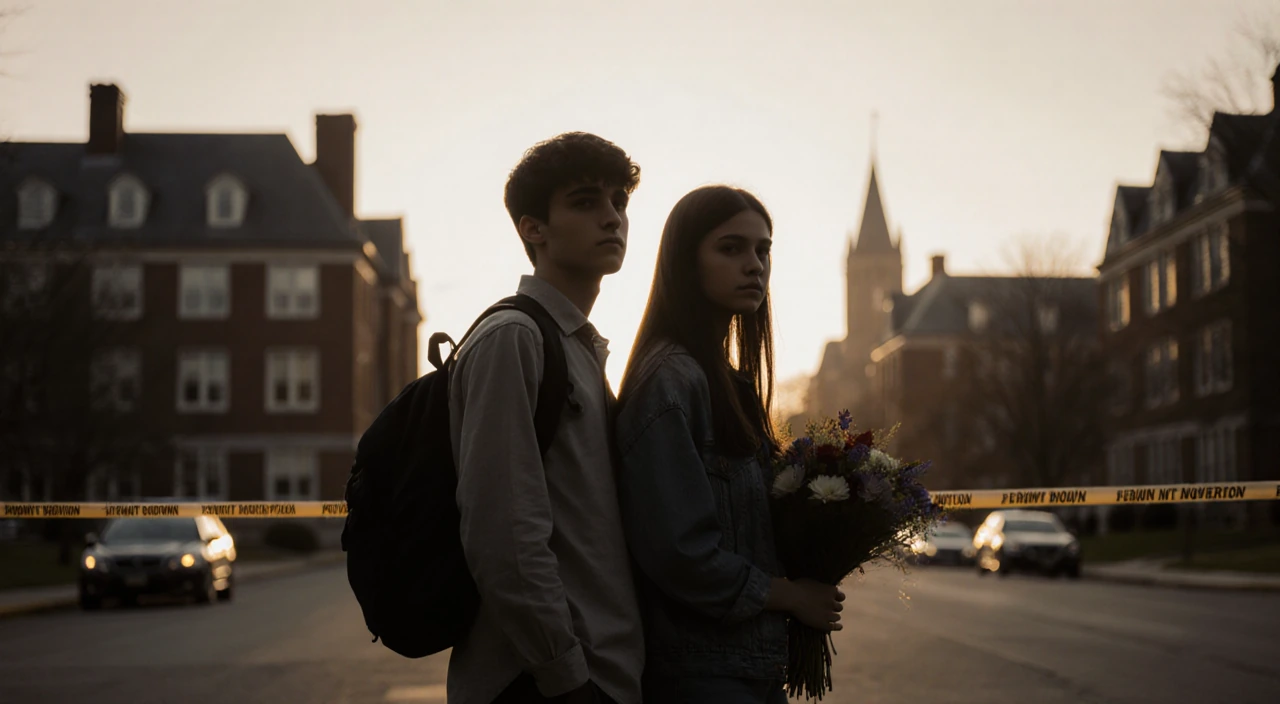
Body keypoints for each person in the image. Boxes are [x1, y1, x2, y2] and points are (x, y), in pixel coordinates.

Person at [614, 185, 845, 703]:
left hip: (747, 667)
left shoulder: (725, 380)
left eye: (763, 250)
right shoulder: (671, 382)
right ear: (685, 260)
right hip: (700, 674)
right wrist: (790, 596)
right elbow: (679, 553)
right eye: (731, 248)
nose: (754, 264)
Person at [448, 133, 645, 704]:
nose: (612, 218)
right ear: (533, 229)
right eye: (586, 202)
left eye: (619, 202)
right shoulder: (515, 339)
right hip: (540, 685)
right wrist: (564, 676)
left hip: (604, 673)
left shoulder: (579, 348)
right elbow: (502, 531)